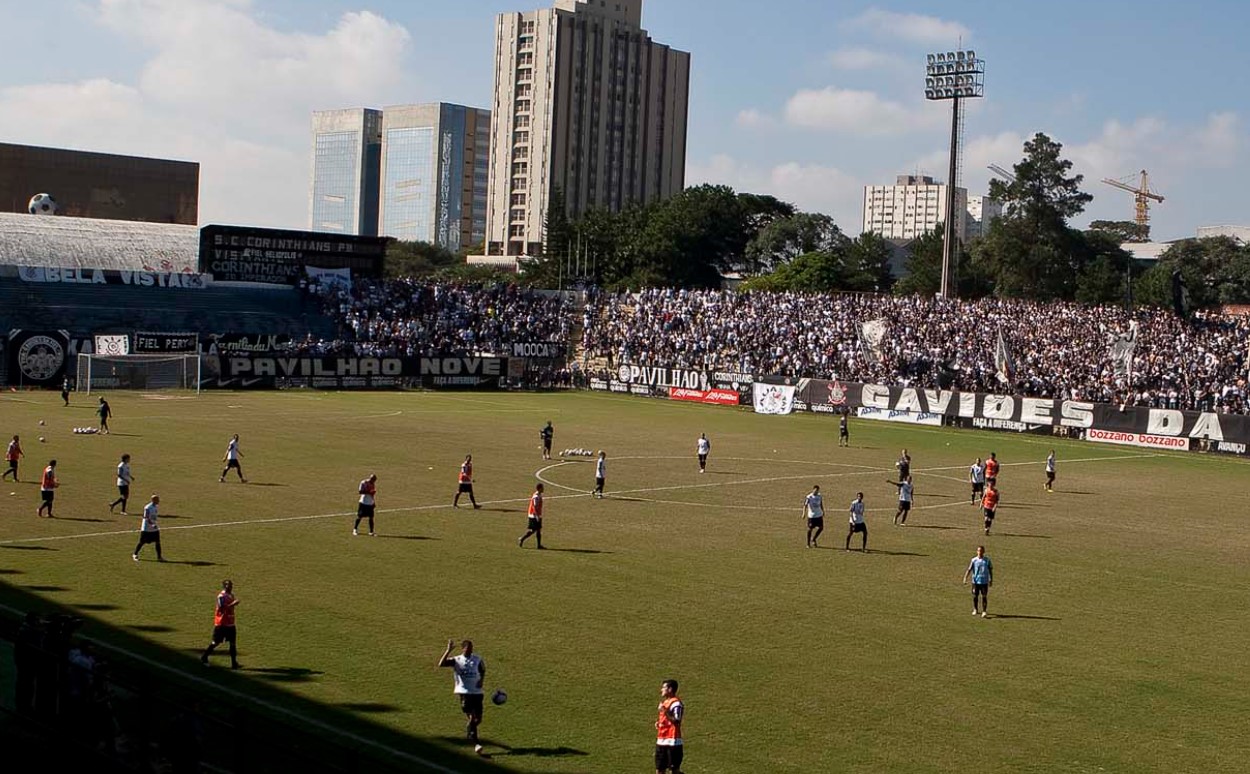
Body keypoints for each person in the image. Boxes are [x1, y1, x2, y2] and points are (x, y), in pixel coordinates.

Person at [438, 639, 487, 755]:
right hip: (464, 692)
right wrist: (448, 650)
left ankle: (470, 730)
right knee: (472, 717)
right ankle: (476, 744)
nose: (470, 650)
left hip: (477, 692)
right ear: (463, 648)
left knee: (478, 720)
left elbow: (483, 670)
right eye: (468, 648)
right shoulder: (457, 660)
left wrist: (481, 680)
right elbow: (441, 664)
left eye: (471, 648)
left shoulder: (477, 659)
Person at [200, 580, 240, 668]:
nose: (230, 587)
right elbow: (221, 609)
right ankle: (204, 657)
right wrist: (233, 603)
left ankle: (234, 663)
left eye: (231, 585)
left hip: (230, 623)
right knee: (215, 642)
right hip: (221, 624)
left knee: (233, 643)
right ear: (224, 586)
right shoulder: (221, 596)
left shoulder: (231, 595)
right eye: (228, 585)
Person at [655, 679, 685, 774]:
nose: (661, 690)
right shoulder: (665, 702)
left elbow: (677, 720)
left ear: (670, 689)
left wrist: (664, 710)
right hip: (661, 740)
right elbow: (667, 719)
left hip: (673, 741)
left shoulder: (676, 703)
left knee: (674, 771)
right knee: (660, 769)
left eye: (664, 687)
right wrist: (659, 723)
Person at [962, 545, 993, 617]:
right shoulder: (974, 560)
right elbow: (969, 569)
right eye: (979, 551)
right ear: (977, 551)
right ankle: (975, 609)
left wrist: (991, 579)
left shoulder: (987, 560)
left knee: (984, 596)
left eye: (981, 551)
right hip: (975, 582)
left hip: (984, 582)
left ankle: (984, 611)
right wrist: (965, 578)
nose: (980, 552)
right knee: (975, 596)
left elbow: (990, 570)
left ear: (984, 552)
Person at [132, 495, 163, 561]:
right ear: (153, 500)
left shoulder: (156, 507)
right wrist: (152, 524)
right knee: (142, 542)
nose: (158, 501)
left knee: (157, 542)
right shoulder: (148, 508)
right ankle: (135, 554)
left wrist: (154, 524)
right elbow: (146, 517)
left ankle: (159, 557)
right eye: (157, 500)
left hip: (154, 528)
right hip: (146, 528)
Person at [518, 483, 544, 549]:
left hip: (537, 515)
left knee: (538, 530)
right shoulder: (536, 497)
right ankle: (522, 539)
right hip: (534, 515)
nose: (543, 489)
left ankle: (539, 545)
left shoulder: (539, 495)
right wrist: (537, 516)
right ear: (540, 488)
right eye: (542, 488)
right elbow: (534, 506)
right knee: (533, 530)